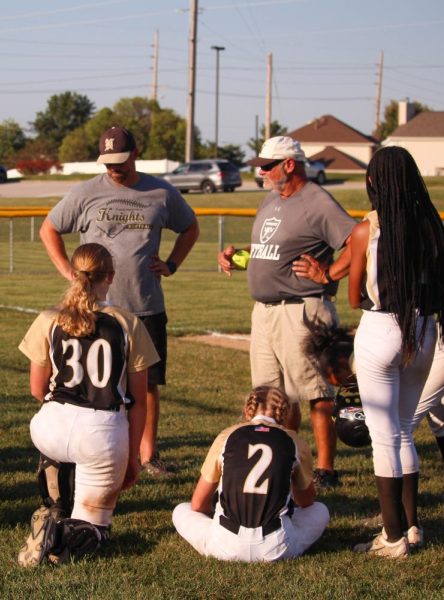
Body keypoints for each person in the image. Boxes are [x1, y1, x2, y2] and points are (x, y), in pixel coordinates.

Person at [40, 126, 199, 477]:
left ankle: (147, 455)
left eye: (120, 161)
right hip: (95, 310)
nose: (114, 169)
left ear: (135, 153)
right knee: (89, 381)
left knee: (148, 385)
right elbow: (49, 228)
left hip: (144, 304)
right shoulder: (85, 193)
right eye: (108, 162)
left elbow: (190, 227)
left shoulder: (161, 191)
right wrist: (69, 272)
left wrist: (171, 264)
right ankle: (90, 447)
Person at [217, 135, 356, 488]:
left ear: (289, 165)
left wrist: (329, 274)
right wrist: (238, 255)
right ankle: (286, 459)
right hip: (264, 312)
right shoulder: (271, 199)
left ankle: (325, 471)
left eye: (267, 166)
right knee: (271, 394)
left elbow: (358, 241)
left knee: (314, 391)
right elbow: (268, 250)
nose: (261, 173)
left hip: (302, 310)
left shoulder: (317, 201)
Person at [16, 243, 160, 566]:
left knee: (56, 430)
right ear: (110, 276)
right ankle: (60, 533)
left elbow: (37, 389)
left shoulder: (49, 318)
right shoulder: (127, 323)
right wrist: (131, 457)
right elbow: (138, 402)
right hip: (101, 434)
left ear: (72, 272)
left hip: (50, 428)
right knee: (96, 531)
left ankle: (55, 504)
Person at [346, 145, 444, 558]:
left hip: (381, 327)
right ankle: (411, 526)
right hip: (425, 329)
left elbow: (354, 296)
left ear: (374, 181)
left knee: (384, 437)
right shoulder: (431, 224)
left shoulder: (366, 230)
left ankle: (390, 538)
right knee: (405, 429)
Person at [299, 274, 444, 504]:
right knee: (441, 420)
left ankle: (397, 516)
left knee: (397, 432)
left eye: (337, 382)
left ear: (338, 367)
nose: (343, 389)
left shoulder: (362, 360)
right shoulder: (361, 347)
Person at [172, 386, 329, 562]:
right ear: (284, 414)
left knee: (181, 510)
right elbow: (306, 502)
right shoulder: (294, 441)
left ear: (248, 410)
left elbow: (198, 503)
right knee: (320, 510)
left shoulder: (227, 435)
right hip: (276, 547)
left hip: (224, 544)